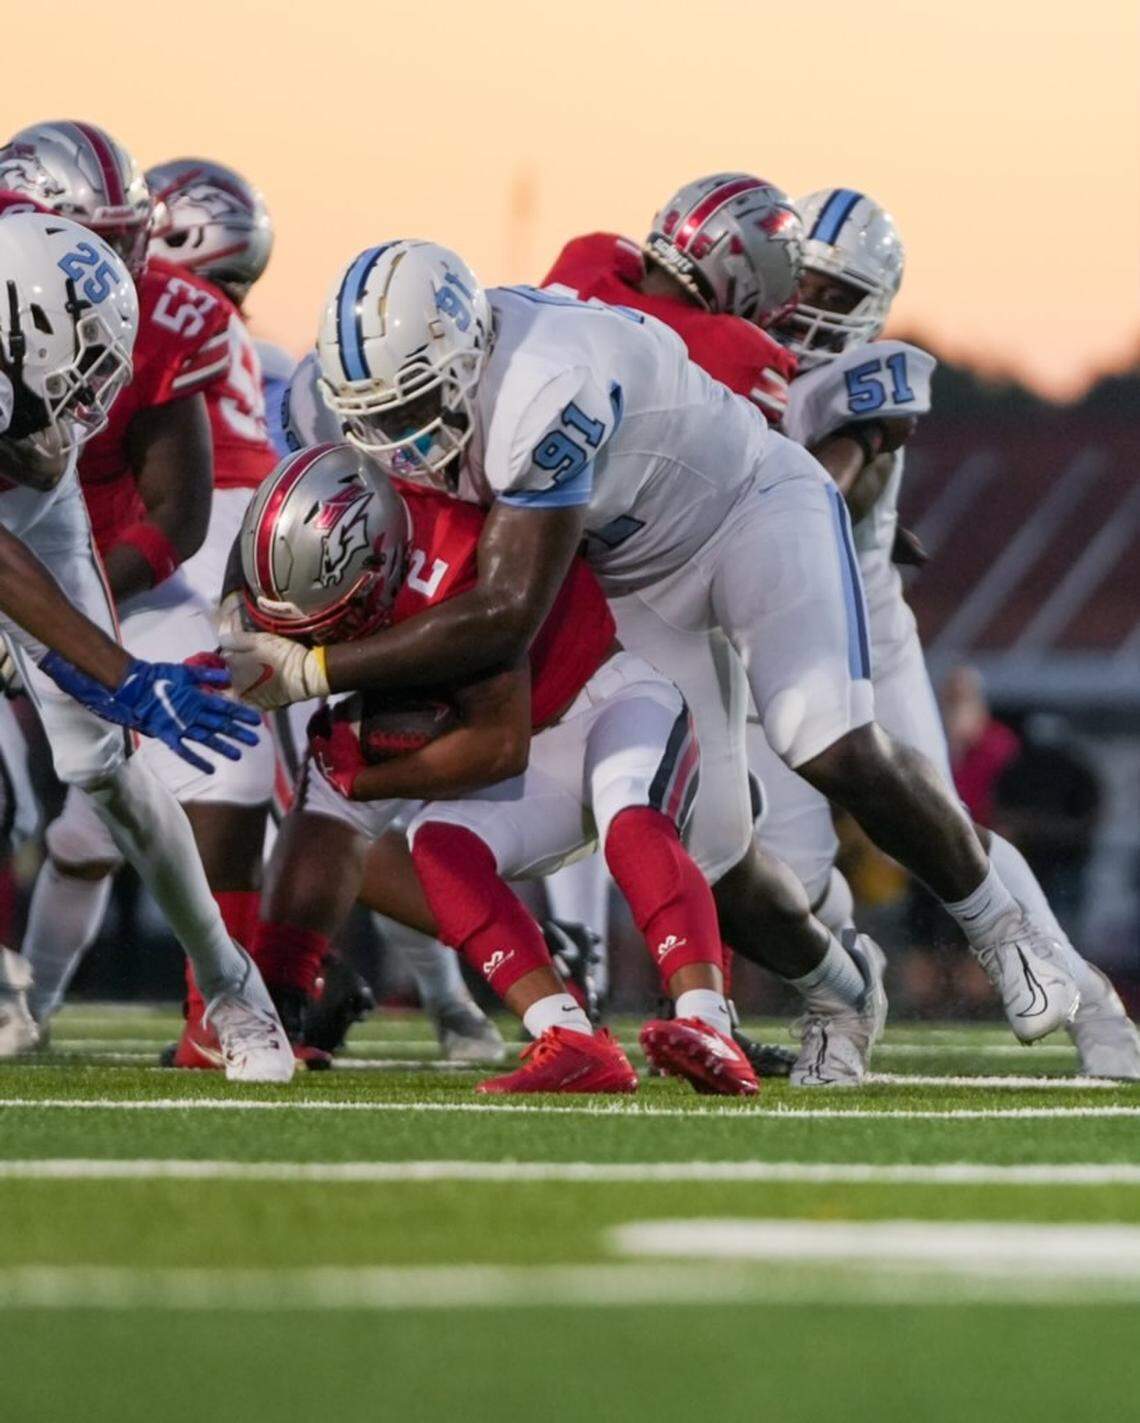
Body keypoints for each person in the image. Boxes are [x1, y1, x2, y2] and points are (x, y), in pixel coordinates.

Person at [220, 236, 1080, 1087]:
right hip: (630, 575)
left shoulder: (542, 385)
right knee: (711, 853)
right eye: (373, 418)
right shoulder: (349, 401)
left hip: (745, 510)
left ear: (465, 357)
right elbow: (283, 508)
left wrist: (314, 670)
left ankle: (1002, 929)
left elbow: (507, 614)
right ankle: (839, 993)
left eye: (412, 411)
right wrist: (241, 611)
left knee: (822, 736)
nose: (395, 445)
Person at [745, 189, 1139, 1078]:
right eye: (803, 283)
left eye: (837, 294)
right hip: (757, 630)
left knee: (939, 828)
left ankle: (1092, 1005)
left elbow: (827, 487)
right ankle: (842, 1015)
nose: (811, 307)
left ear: (873, 306)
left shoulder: (871, 372)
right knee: (790, 866)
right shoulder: (734, 355)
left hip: (859, 626)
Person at [239, 442, 760, 1094]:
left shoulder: (462, 556)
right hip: (535, 747)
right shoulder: (321, 548)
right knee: (440, 844)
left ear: (381, 559)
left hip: (610, 705)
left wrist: (365, 777)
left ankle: (708, 1021)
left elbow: (497, 746)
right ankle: (570, 1037)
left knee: (631, 822)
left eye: (338, 619)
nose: (327, 638)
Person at [0, 124, 276, 1053]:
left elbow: (172, 509)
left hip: (40, 502)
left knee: (102, 767)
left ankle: (232, 987)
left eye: (130, 240)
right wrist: (115, 667)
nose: (122, 267)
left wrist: (100, 663)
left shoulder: (146, 309)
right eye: (100, 240)